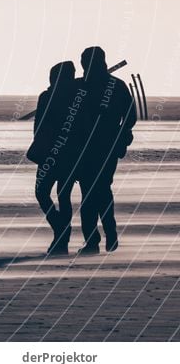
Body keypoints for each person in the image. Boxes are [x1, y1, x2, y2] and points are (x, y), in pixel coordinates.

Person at [74, 46, 136, 254]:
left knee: (90, 193)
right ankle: (108, 233)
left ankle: (95, 240)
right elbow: (131, 117)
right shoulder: (116, 86)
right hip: (106, 147)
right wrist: (120, 133)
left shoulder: (80, 87)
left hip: (87, 149)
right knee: (101, 189)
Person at [26, 61, 81, 255]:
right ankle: (61, 233)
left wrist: (39, 146)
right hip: (70, 154)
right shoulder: (77, 95)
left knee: (43, 192)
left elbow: (39, 126)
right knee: (62, 196)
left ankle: (61, 233)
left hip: (50, 153)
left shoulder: (48, 96)